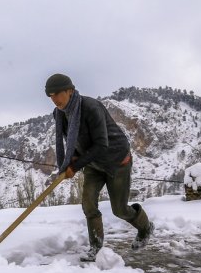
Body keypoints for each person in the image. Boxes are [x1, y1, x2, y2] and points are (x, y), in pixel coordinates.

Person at [45, 73, 154, 260]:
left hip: (117, 162)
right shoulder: (60, 115)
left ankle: (145, 227)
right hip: (93, 164)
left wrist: (76, 166)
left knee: (119, 210)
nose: (54, 99)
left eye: (57, 94)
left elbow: (101, 144)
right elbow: (74, 142)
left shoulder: (91, 107)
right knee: (88, 205)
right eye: (50, 96)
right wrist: (71, 161)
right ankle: (96, 247)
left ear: (70, 91)